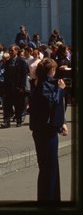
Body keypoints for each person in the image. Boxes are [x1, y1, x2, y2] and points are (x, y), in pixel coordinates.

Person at [29, 57, 68, 201]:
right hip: (45, 131)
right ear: (51, 70)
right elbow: (51, 103)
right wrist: (61, 90)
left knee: (50, 166)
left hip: (43, 129)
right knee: (48, 167)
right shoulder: (44, 85)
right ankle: (48, 199)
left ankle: (52, 197)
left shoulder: (40, 83)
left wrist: (61, 122)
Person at [0, 44, 28, 128]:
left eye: (12, 50)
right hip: (8, 87)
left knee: (18, 105)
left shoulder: (22, 62)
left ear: (16, 51)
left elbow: (24, 75)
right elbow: (5, 76)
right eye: (9, 50)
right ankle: (6, 122)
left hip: (18, 87)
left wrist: (22, 87)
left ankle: (19, 120)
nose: (10, 52)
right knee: (7, 105)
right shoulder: (7, 62)